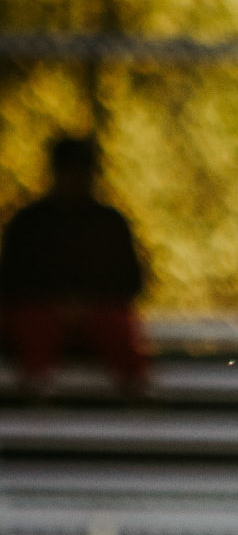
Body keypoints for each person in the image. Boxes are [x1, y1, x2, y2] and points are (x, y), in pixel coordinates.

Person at [0, 133, 149, 396]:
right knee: (34, 325)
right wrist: (57, 303)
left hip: (98, 313)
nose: (76, 179)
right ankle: (35, 394)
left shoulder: (109, 223)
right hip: (41, 312)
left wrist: (86, 303)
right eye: (69, 171)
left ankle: (136, 395)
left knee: (117, 327)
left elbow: (131, 280)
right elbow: (11, 280)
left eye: (82, 172)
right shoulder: (29, 222)